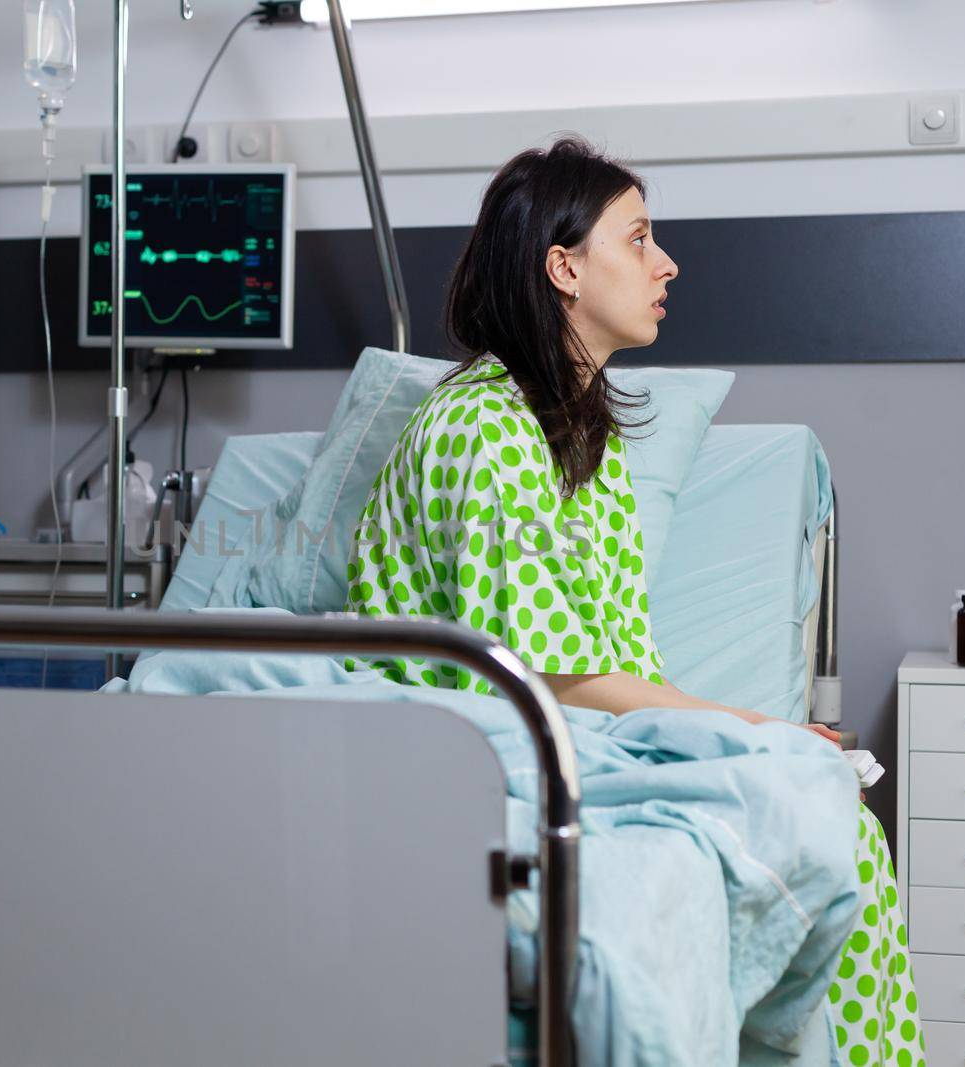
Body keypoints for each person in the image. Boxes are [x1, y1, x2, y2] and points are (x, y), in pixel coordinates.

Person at [344, 136, 922, 1066]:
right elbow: (552, 681)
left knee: (834, 826)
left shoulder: (587, 435)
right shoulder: (484, 430)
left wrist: (746, 732)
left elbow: (608, 668)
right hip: (464, 737)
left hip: (574, 731)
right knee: (828, 828)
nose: (668, 263)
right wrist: (751, 726)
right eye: (640, 238)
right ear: (564, 268)